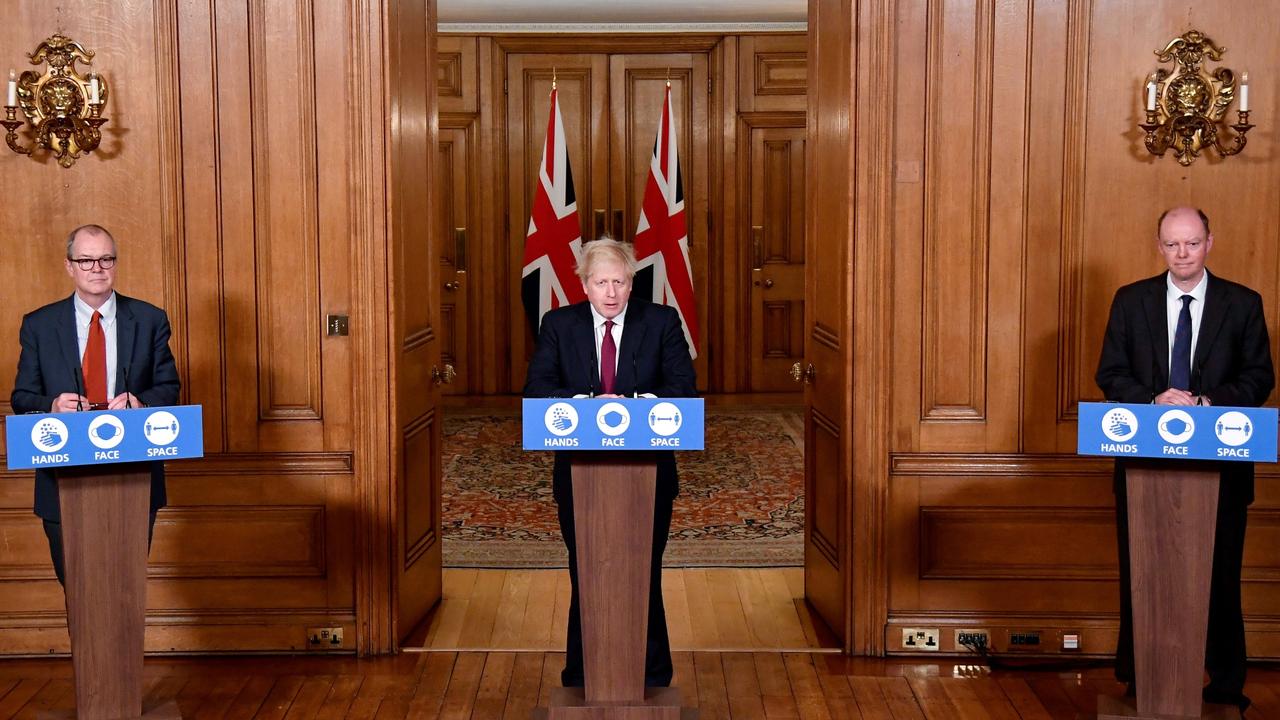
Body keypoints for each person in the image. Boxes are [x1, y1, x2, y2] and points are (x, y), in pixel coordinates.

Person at [1095, 207, 1274, 712]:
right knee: (1143, 574)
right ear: (1159, 246)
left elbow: (1259, 378)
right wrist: (1154, 399)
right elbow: (1110, 373)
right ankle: (1139, 677)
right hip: (1142, 468)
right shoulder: (1131, 301)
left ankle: (1224, 684)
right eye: (1172, 245)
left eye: (1191, 244)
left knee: (1221, 577)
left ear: (1209, 243)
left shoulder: (1242, 304)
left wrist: (1205, 403)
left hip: (1225, 468)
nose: (1182, 255)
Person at [523, 237, 696, 688]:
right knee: (587, 569)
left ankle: (653, 675)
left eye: (619, 282)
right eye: (602, 282)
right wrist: (589, 403)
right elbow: (538, 391)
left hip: (649, 475)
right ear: (585, 285)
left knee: (644, 571)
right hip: (580, 476)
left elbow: (683, 391)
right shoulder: (559, 324)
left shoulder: (660, 322)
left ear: (631, 282)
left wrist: (634, 404)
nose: (612, 293)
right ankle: (582, 673)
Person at [11, 224, 181, 586]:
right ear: (69, 266)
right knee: (78, 587)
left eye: (105, 259)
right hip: (63, 477)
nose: (97, 268)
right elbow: (22, 398)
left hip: (132, 475)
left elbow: (169, 388)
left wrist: (140, 402)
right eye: (86, 260)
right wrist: (53, 405)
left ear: (115, 264)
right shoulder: (39, 325)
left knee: (123, 585)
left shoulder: (150, 320)